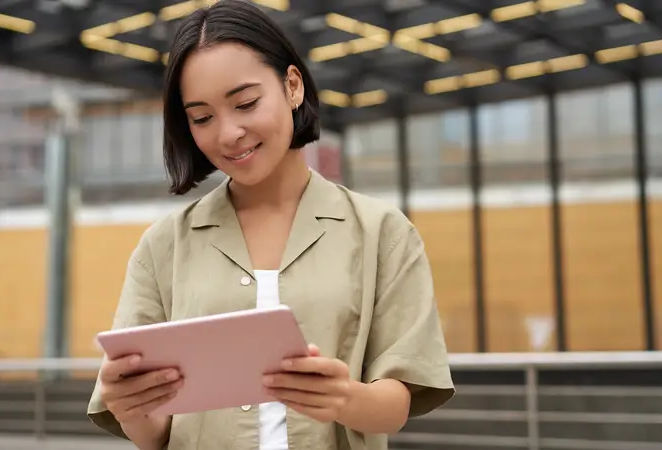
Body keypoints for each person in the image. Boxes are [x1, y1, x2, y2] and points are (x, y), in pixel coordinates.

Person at [85, 1, 454, 449]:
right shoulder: (163, 246)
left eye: (245, 103)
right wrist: (130, 407)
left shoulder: (384, 234)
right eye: (202, 117)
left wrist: (344, 398)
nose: (227, 134)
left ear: (292, 86)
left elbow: (397, 402)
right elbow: (154, 434)